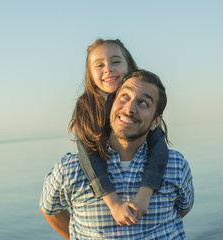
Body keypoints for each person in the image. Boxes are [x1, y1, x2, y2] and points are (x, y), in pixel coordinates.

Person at [40, 70, 194, 239]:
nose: (129, 108)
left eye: (143, 103)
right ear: (111, 105)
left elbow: (183, 208)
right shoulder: (70, 169)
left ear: (156, 121)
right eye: (125, 97)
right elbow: (49, 209)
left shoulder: (175, 165)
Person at [67, 39, 169, 225]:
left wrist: (145, 193)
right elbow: (88, 156)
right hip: (105, 183)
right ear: (90, 73)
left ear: (129, 65)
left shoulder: (143, 99)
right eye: (99, 65)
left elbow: (159, 149)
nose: (108, 69)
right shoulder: (86, 107)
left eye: (115, 62)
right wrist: (113, 203)